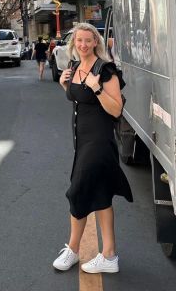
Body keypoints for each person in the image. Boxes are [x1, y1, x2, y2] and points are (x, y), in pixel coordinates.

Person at [52, 23, 132, 275]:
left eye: (88, 40)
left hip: (99, 142)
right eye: (79, 41)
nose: (83, 45)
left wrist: (97, 87)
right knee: (100, 194)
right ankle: (109, 255)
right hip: (82, 141)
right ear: (73, 43)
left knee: (77, 193)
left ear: (95, 42)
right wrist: (66, 86)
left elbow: (116, 109)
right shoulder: (74, 67)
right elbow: (79, 102)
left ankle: (73, 249)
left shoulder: (105, 70)